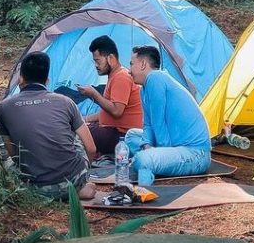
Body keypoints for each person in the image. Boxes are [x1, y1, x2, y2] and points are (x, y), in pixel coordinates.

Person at [0, 52, 97, 201]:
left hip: (33, 186)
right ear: (47, 80)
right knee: (74, 136)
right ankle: (79, 187)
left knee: (7, 162)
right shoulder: (66, 102)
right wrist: (83, 173)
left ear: (21, 79)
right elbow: (91, 148)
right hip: (70, 181)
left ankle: (49, 193)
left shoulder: (4, 107)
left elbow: (13, 153)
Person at [125, 44, 211, 186]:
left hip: (196, 154)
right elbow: (148, 123)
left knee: (142, 160)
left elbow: (159, 124)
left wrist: (154, 153)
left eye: (131, 64)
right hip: (173, 144)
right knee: (131, 136)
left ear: (143, 64)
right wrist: (147, 145)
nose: (129, 71)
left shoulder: (155, 78)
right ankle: (154, 158)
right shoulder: (143, 89)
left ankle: (148, 167)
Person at [75, 36, 143, 158]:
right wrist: (84, 119)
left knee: (77, 133)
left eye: (98, 61)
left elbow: (117, 111)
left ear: (110, 58)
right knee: (81, 126)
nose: (96, 65)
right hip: (113, 130)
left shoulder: (121, 77)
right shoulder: (114, 75)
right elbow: (107, 112)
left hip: (121, 136)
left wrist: (94, 94)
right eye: (94, 61)